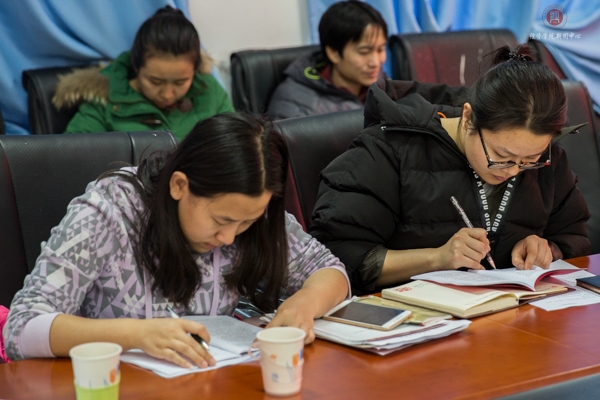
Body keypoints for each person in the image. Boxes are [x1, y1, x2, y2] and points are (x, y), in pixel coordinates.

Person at [3, 113, 350, 367]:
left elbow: (329, 270)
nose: (229, 236)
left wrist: (303, 305)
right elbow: (21, 328)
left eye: (246, 222)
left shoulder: (252, 212)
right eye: (220, 220)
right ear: (179, 185)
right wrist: (134, 335)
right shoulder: (110, 211)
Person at [309, 45, 590, 295]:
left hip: (512, 314)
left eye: (530, 159)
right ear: (468, 118)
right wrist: (438, 258)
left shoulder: (548, 158)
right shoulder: (391, 148)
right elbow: (337, 257)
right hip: (410, 321)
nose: (514, 171)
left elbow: (573, 235)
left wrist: (546, 249)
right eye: (502, 156)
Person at [55, 6, 233, 141]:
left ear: (195, 71)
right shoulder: (105, 96)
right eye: (155, 81)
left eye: (180, 82)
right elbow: (72, 157)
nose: (167, 94)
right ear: (136, 66)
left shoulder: (210, 92)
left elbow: (234, 148)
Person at [267, 0, 387, 120]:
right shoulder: (296, 104)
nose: (376, 62)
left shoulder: (382, 84)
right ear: (333, 53)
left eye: (380, 49)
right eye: (364, 52)